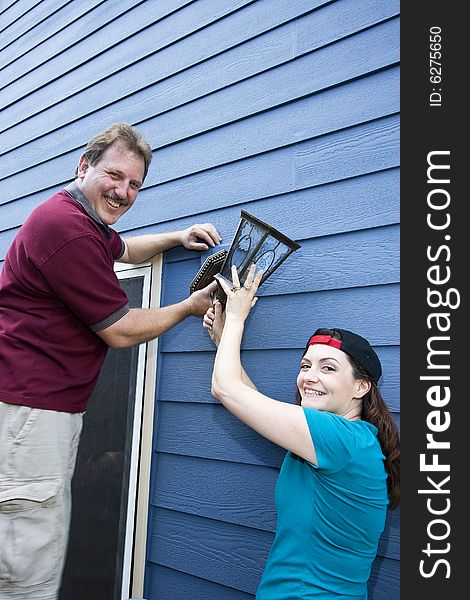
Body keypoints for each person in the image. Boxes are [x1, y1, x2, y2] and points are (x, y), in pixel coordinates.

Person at [0, 122, 221, 600]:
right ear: (84, 167)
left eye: (135, 184)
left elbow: (123, 249)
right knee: (26, 564)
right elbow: (120, 329)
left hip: (39, 409)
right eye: (114, 176)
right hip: (30, 413)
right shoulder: (66, 230)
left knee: (30, 533)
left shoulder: (85, 224)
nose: (123, 192)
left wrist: (178, 237)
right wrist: (189, 306)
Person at [203, 264, 400, 599]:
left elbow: (225, 389)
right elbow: (248, 399)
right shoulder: (350, 439)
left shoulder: (339, 439)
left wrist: (236, 317)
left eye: (328, 368)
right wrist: (225, 341)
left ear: (361, 386)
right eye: (306, 365)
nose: (310, 376)